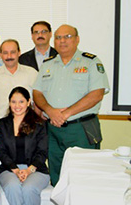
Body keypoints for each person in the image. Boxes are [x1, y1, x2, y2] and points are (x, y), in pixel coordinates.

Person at [32, 24, 109, 186]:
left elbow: (97, 94)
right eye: (58, 37)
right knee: (57, 176)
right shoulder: (48, 64)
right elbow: (37, 93)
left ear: (77, 39)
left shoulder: (91, 62)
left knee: (84, 178)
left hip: (81, 129)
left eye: (67, 37)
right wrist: (50, 111)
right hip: (54, 130)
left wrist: (65, 114)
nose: (62, 41)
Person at [0, 87, 49, 205]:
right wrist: (16, 170)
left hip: (36, 169)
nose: (17, 105)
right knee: (12, 187)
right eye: (13, 102)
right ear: (9, 103)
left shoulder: (39, 124)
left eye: (21, 101)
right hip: (9, 169)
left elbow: (42, 151)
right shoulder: (2, 124)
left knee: (29, 189)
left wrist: (30, 170)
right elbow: (1, 151)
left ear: (28, 103)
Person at [0, 39, 38, 127]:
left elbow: (37, 102)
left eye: (13, 52)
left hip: (27, 123)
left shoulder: (32, 73)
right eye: (5, 53)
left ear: (19, 53)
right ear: (1, 55)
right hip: (0, 124)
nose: (9, 56)